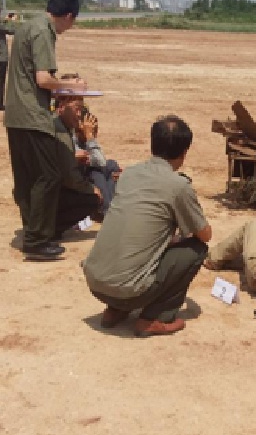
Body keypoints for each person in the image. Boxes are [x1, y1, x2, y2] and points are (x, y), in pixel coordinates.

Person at [83, 116, 212, 337]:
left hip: (96, 283)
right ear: (184, 153)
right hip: (128, 291)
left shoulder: (128, 174)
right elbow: (205, 234)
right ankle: (154, 318)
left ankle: (115, 310)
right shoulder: (178, 185)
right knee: (196, 250)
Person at [3, 0, 86, 261]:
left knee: (26, 178)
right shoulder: (44, 31)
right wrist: (70, 85)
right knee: (48, 176)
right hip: (32, 115)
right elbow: (43, 79)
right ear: (69, 16)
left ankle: (33, 232)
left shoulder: (28, 26)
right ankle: (38, 240)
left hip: (15, 115)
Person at [51, 88, 104, 240]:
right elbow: (70, 176)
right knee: (92, 194)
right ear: (61, 107)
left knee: (109, 168)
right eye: (77, 109)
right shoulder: (61, 132)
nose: (80, 114)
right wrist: (90, 189)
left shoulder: (62, 128)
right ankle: (51, 228)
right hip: (50, 193)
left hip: (45, 192)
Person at [73, 108, 121, 219]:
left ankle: (110, 206)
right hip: (77, 181)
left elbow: (102, 161)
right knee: (96, 172)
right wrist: (90, 137)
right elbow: (100, 161)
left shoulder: (87, 141)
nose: (93, 133)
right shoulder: (73, 141)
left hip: (88, 175)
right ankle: (107, 210)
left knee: (112, 165)